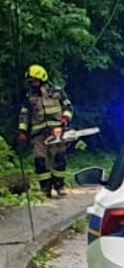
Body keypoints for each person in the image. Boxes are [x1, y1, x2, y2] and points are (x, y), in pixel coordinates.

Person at [17, 64, 73, 198]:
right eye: (30, 81)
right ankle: (46, 189)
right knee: (40, 161)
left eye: (33, 80)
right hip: (38, 134)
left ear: (41, 78)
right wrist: (22, 131)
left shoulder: (57, 92)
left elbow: (69, 107)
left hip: (57, 132)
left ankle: (59, 186)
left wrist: (65, 118)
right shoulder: (29, 96)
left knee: (59, 158)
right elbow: (24, 114)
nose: (32, 83)